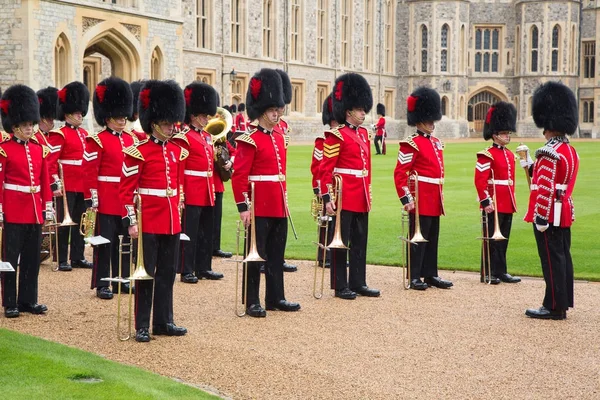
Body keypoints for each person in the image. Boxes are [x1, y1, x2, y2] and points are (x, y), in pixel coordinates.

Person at [119, 79, 188, 342]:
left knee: (167, 274)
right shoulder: (138, 152)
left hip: (171, 220)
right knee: (145, 274)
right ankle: (142, 325)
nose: (172, 127)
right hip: (148, 220)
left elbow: (176, 188)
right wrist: (131, 221)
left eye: (173, 122)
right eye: (167, 123)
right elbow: (126, 191)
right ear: (154, 122)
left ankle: (163, 321)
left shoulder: (175, 152)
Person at [231, 68, 301, 317]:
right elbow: (239, 176)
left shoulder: (280, 135)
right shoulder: (249, 139)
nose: (277, 112)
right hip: (258, 203)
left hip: (278, 203)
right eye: (273, 109)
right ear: (261, 110)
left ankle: (275, 297)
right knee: (255, 254)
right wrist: (243, 207)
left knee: (275, 254)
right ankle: (252, 301)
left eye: (279, 108)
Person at [319, 73, 380, 300]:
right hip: (344, 195)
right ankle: (339, 284)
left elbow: (368, 168)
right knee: (340, 241)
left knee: (360, 241)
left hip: (361, 194)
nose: (363, 113)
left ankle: (358, 281)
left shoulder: (364, 134)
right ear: (348, 111)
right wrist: (328, 197)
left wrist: (369, 192)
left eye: (364, 109)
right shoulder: (336, 136)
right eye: (359, 110)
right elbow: (326, 168)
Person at [524, 81, 580, 321]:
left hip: (550, 214)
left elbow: (545, 188)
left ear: (547, 124)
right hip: (564, 210)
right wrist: (529, 166)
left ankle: (553, 306)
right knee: (562, 257)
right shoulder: (569, 150)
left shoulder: (548, 151)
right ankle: (563, 300)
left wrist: (541, 217)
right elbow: (554, 180)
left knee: (550, 260)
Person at [0, 84, 53, 318]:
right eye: (26, 125)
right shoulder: (4, 150)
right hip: (13, 209)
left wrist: (47, 208)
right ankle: (9, 302)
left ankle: (28, 300)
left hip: (34, 211)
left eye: (31, 124)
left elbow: (43, 182)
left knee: (32, 258)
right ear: (15, 127)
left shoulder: (39, 149)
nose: (30, 128)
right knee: (10, 259)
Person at [83, 77, 138, 299]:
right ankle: (103, 283)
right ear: (107, 118)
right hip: (106, 200)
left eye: (124, 116)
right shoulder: (97, 140)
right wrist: (92, 201)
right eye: (118, 116)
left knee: (125, 242)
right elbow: (89, 172)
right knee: (105, 243)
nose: (122, 119)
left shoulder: (132, 140)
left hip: (126, 201)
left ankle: (122, 279)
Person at [393, 87, 453, 290]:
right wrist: (406, 198)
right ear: (418, 120)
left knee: (432, 238)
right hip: (419, 198)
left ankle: (430, 274)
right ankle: (414, 276)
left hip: (434, 197)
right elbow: (400, 173)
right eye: (428, 120)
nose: (431, 123)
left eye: (432, 119)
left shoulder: (436, 143)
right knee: (417, 239)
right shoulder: (411, 144)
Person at [173, 82, 223, 282]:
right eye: (203, 116)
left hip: (207, 189)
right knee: (190, 231)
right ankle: (187, 269)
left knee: (205, 231)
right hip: (192, 190)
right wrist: (181, 194)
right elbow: (180, 169)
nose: (206, 119)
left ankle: (204, 266)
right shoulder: (183, 137)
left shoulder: (207, 137)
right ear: (192, 115)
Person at [46, 81, 93, 271]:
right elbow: (51, 163)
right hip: (67, 185)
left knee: (80, 222)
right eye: (76, 113)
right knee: (65, 223)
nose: (80, 115)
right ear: (67, 114)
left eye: (81, 113)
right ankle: (62, 258)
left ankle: (77, 256)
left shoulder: (84, 133)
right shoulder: (60, 135)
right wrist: (55, 184)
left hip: (82, 184)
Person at [474, 102, 522, 285]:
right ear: (494, 134)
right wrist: (486, 201)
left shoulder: (510, 155)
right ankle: (487, 272)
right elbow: (480, 180)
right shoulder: (487, 155)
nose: (507, 136)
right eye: (504, 133)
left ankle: (501, 270)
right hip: (493, 202)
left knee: (503, 238)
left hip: (507, 201)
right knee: (491, 240)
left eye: (508, 133)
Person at [274, 68, 297, 273]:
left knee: (281, 224)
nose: (281, 108)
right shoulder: (258, 126)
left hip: (281, 183)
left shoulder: (284, 126)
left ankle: (278, 259)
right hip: (267, 185)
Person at [311, 94, 336, 268]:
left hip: (340, 188)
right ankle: (323, 256)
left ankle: (334, 254)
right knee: (326, 223)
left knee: (337, 223)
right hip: (327, 187)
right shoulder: (323, 141)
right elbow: (317, 167)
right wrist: (320, 188)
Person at [212, 131, 235, 259]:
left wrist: (230, 162)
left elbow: (234, 152)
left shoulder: (221, 141)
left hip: (218, 184)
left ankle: (215, 247)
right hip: (206, 185)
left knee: (216, 218)